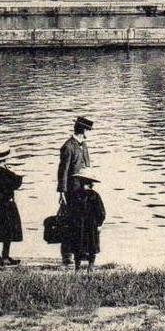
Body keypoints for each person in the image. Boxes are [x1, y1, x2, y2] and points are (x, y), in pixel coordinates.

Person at [57, 116, 93, 267]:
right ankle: (67, 255)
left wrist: (90, 185)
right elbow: (62, 171)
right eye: (88, 130)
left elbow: (87, 166)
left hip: (83, 190)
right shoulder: (68, 146)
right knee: (69, 222)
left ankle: (81, 251)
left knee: (83, 221)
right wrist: (61, 192)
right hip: (71, 191)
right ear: (82, 130)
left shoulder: (83, 145)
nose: (89, 133)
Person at [66, 166, 105, 272]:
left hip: (78, 225)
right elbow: (101, 212)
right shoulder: (95, 195)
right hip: (91, 225)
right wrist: (99, 224)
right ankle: (90, 266)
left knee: (77, 246)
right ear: (91, 183)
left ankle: (78, 268)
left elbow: (70, 211)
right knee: (91, 247)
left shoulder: (75, 194)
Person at [0, 147, 23, 266]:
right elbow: (15, 184)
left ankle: (4, 257)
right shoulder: (4, 172)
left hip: (3, 204)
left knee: (3, 231)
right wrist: (15, 173)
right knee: (7, 232)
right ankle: (4, 257)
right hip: (5, 205)